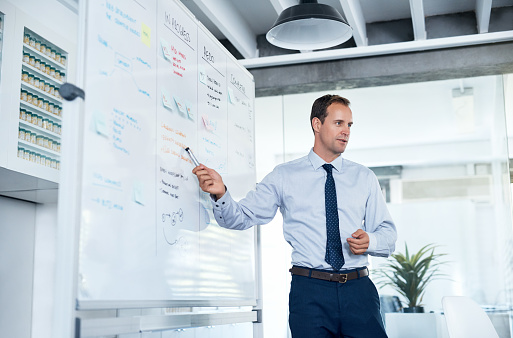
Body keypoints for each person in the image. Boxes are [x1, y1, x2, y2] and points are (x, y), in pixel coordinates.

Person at [192, 94, 397, 338]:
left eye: (349, 125)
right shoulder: (284, 176)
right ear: (317, 124)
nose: (346, 131)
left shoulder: (364, 178)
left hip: (358, 290)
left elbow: (388, 236)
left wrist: (370, 241)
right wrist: (221, 193)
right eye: (339, 123)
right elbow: (241, 217)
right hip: (310, 292)